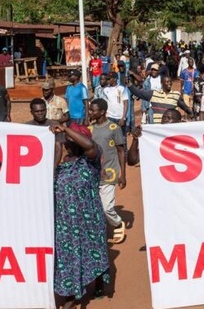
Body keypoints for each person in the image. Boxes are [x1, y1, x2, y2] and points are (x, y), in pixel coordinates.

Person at [50, 122, 110, 309]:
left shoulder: (89, 160)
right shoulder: (60, 165)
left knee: (94, 251)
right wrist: (56, 158)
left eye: (70, 139)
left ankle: (98, 281)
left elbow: (90, 146)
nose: (66, 142)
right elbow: (47, 181)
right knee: (68, 256)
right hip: (65, 222)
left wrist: (66, 129)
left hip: (88, 219)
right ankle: (72, 294)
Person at [88, 98, 127, 244]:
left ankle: (117, 223)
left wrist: (123, 175)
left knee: (106, 208)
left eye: (93, 110)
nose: (90, 112)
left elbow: (121, 152)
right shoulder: (90, 129)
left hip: (110, 174)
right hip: (93, 173)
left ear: (102, 112)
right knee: (94, 206)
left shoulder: (114, 128)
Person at [25, 98, 64, 166]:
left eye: (42, 110)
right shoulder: (26, 127)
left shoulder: (55, 125)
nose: (40, 113)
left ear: (46, 110)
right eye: (37, 111)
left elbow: (58, 148)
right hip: (31, 163)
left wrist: (53, 168)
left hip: (49, 162)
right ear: (31, 112)